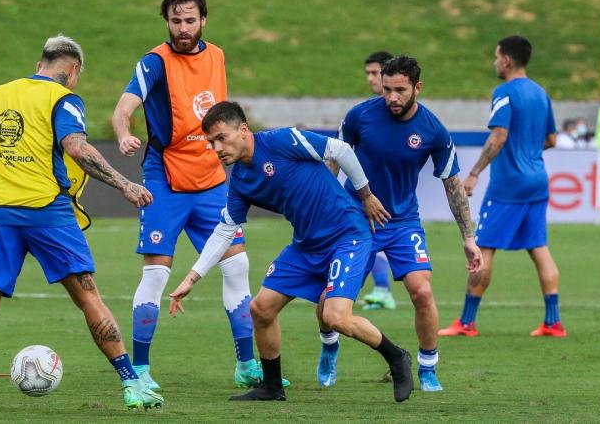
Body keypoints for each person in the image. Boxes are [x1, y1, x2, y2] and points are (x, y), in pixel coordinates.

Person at [0, 35, 163, 418]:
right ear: (72, 71)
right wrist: (125, 183)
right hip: (47, 213)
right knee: (88, 297)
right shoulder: (63, 99)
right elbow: (76, 147)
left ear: (41, 63)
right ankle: (131, 384)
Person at [167, 101, 415, 403]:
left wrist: (365, 196)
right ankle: (272, 387)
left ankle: (397, 357)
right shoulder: (241, 181)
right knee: (261, 309)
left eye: (222, 138)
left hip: (347, 235)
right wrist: (191, 278)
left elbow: (341, 151)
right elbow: (224, 230)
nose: (217, 148)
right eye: (211, 142)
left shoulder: (282, 140)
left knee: (335, 316)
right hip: (306, 245)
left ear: (243, 130)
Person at [111, 0, 259, 390]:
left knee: (238, 266)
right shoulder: (154, 62)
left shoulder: (218, 55)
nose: (182, 28)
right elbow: (123, 107)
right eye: (175, 21)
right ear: (167, 22)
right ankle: (139, 370)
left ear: (203, 21)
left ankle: (247, 364)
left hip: (211, 177)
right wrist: (124, 133)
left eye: (189, 20)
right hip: (166, 178)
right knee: (157, 274)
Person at [332, 55, 483, 392]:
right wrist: (324, 212)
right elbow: (333, 161)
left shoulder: (433, 130)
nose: (392, 98)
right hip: (357, 218)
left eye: (400, 90)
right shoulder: (360, 116)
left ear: (418, 87)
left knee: (422, 291)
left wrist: (468, 237)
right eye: (387, 90)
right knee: (331, 297)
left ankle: (427, 366)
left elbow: (452, 184)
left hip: (402, 221)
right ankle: (330, 344)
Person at [438, 35, 565, 338]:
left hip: (509, 184)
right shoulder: (540, 93)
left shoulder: (504, 92)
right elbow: (551, 140)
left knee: (484, 248)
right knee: (539, 248)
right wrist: (528, 154)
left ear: (507, 60)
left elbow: (498, 136)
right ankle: (553, 321)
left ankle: (467, 322)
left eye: (496, 57)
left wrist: (474, 173)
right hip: (537, 180)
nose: (495, 62)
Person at [359, 51, 397, 311]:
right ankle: (382, 289)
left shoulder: (399, 111)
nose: (371, 79)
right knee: (365, 239)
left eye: (375, 73)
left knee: (367, 239)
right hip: (366, 190)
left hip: (385, 191)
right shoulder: (365, 112)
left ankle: (383, 290)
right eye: (368, 74)